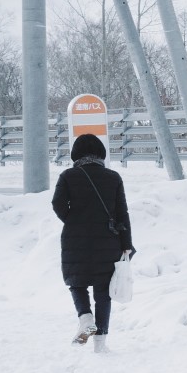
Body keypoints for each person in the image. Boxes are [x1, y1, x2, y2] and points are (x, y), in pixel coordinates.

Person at [52, 132, 133, 354]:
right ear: (100, 153)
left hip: (74, 239)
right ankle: (100, 345)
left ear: (76, 154)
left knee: (76, 282)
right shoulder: (113, 177)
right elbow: (121, 213)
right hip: (108, 241)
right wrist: (127, 243)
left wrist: (72, 220)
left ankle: (85, 317)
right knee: (103, 292)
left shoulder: (68, 176)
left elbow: (58, 204)